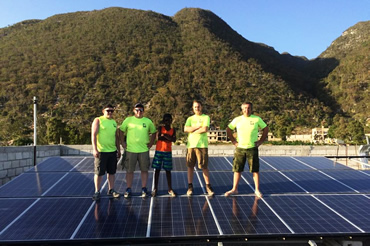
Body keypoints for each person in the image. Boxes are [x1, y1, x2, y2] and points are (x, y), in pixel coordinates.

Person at [225, 102, 268, 198]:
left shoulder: (257, 119)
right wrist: (233, 141)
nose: (246, 110)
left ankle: (257, 190)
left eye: (248, 108)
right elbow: (228, 129)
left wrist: (260, 141)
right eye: (244, 108)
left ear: (251, 109)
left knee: (255, 170)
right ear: (242, 109)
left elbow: (265, 128)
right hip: (240, 148)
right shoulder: (237, 119)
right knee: (237, 169)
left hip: (252, 148)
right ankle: (234, 189)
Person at [119, 103, 156, 198]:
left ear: (143, 111)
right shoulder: (128, 120)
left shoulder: (147, 121)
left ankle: (144, 188)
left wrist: (151, 143)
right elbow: (121, 131)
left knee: (144, 170)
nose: (139, 112)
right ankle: (128, 188)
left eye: (141, 110)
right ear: (133, 110)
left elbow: (154, 132)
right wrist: (122, 142)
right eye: (137, 110)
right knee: (129, 171)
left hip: (143, 150)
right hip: (130, 150)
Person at [184, 100, 214, 196]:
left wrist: (192, 130)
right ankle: (190, 187)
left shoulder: (206, 117)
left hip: (202, 145)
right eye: (195, 107)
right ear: (193, 108)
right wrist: (197, 127)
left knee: (204, 167)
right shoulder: (190, 118)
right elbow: (185, 129)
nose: (197, 108)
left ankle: (208, 187)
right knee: (190, 167)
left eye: (198, 106)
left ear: (201, 107)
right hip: (191, 145)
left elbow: (204, 129)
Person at [91, 104, 121, 201]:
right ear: (103, 111)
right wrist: (95, 149)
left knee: (111, 172)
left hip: (112, 151)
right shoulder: (98, 120)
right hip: (101, 151)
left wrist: (119, 149)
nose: (110, 113)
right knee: (99, 172)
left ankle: (111, 190)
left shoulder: (113, 122)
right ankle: (97, 191)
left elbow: (116, 137)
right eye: (108, 111)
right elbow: (94, 135)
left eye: (112, 111)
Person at [151, 114, 177, 197]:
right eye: (165, 120)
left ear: (171, 121)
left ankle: (170, 189)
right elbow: (159, 138)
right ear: (163, 121)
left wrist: (164, 136)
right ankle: (155, 188)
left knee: (168, 170)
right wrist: (168, 137)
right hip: (159, 151)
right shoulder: (160, 128)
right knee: (157, 170)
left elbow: (174, 139)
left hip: (168, 152)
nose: (167, 122)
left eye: (169, 120)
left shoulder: (173, 130)